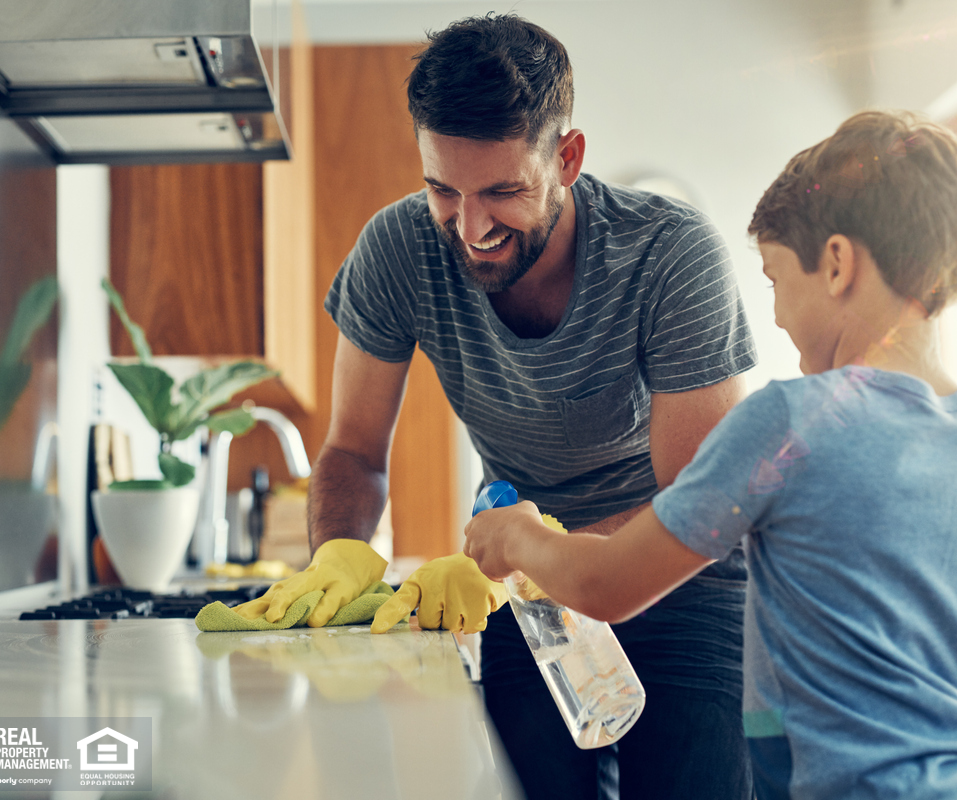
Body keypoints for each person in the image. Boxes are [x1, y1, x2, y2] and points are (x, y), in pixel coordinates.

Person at [233, 13, 756, 800]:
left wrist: (538, 548)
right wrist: (339, 551)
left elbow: (694, 510)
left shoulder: (670, 256)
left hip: (675, 586)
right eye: (443, 189)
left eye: (503, 192)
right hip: (522, 592)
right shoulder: (399, 249)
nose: (470, 227)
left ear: (567, 158)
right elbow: (352, 451)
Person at [465, 108, 957, 800]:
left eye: (776, 279)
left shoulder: (790, 426)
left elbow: (610, 586)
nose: (779, 314)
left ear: (838, 264)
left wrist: (518, 537)